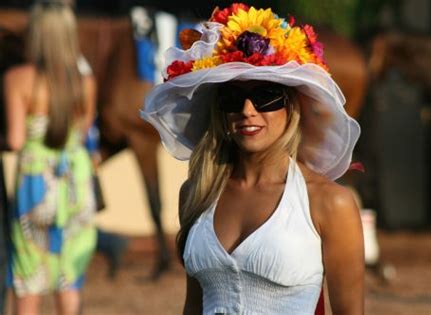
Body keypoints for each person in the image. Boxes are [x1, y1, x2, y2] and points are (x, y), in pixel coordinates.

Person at [141, 3, 365, 314]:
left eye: (265, 97)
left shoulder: (329, 203)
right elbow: (193, 306)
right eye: (233, 98)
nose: (247, 110)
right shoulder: (197, 193)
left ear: (292, 106)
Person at [4, 1, 97, 314]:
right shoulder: (85, 82)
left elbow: (16, 140)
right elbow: (82, 135)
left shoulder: (18, 78)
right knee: (68, 275)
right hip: (74, 180)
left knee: (29, 273)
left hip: (36, 181)